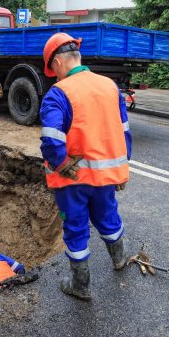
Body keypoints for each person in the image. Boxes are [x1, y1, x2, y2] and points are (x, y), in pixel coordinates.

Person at [39, 32, 132, 301]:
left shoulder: (59, 93)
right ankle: (119, 258)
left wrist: (62, 162)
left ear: (57, 62)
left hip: (73, 179)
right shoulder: (110, 86)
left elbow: (51, 138)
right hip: (104, 177)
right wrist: (121, 170)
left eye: (52, 70)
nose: (54, 76)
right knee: (108, 217)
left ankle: (81, 285)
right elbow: (123, 130)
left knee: (76, 228)